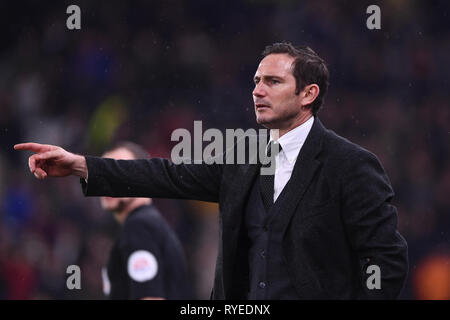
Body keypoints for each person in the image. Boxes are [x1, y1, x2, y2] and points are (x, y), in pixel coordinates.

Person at [14, 42, 408, 299]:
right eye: (256, 81)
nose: (257, 90)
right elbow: (166, 175)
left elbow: (385, 264)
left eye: (273, 81)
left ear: (308, 94)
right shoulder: (242, 157)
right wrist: (81, 165)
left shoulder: (351, 166)